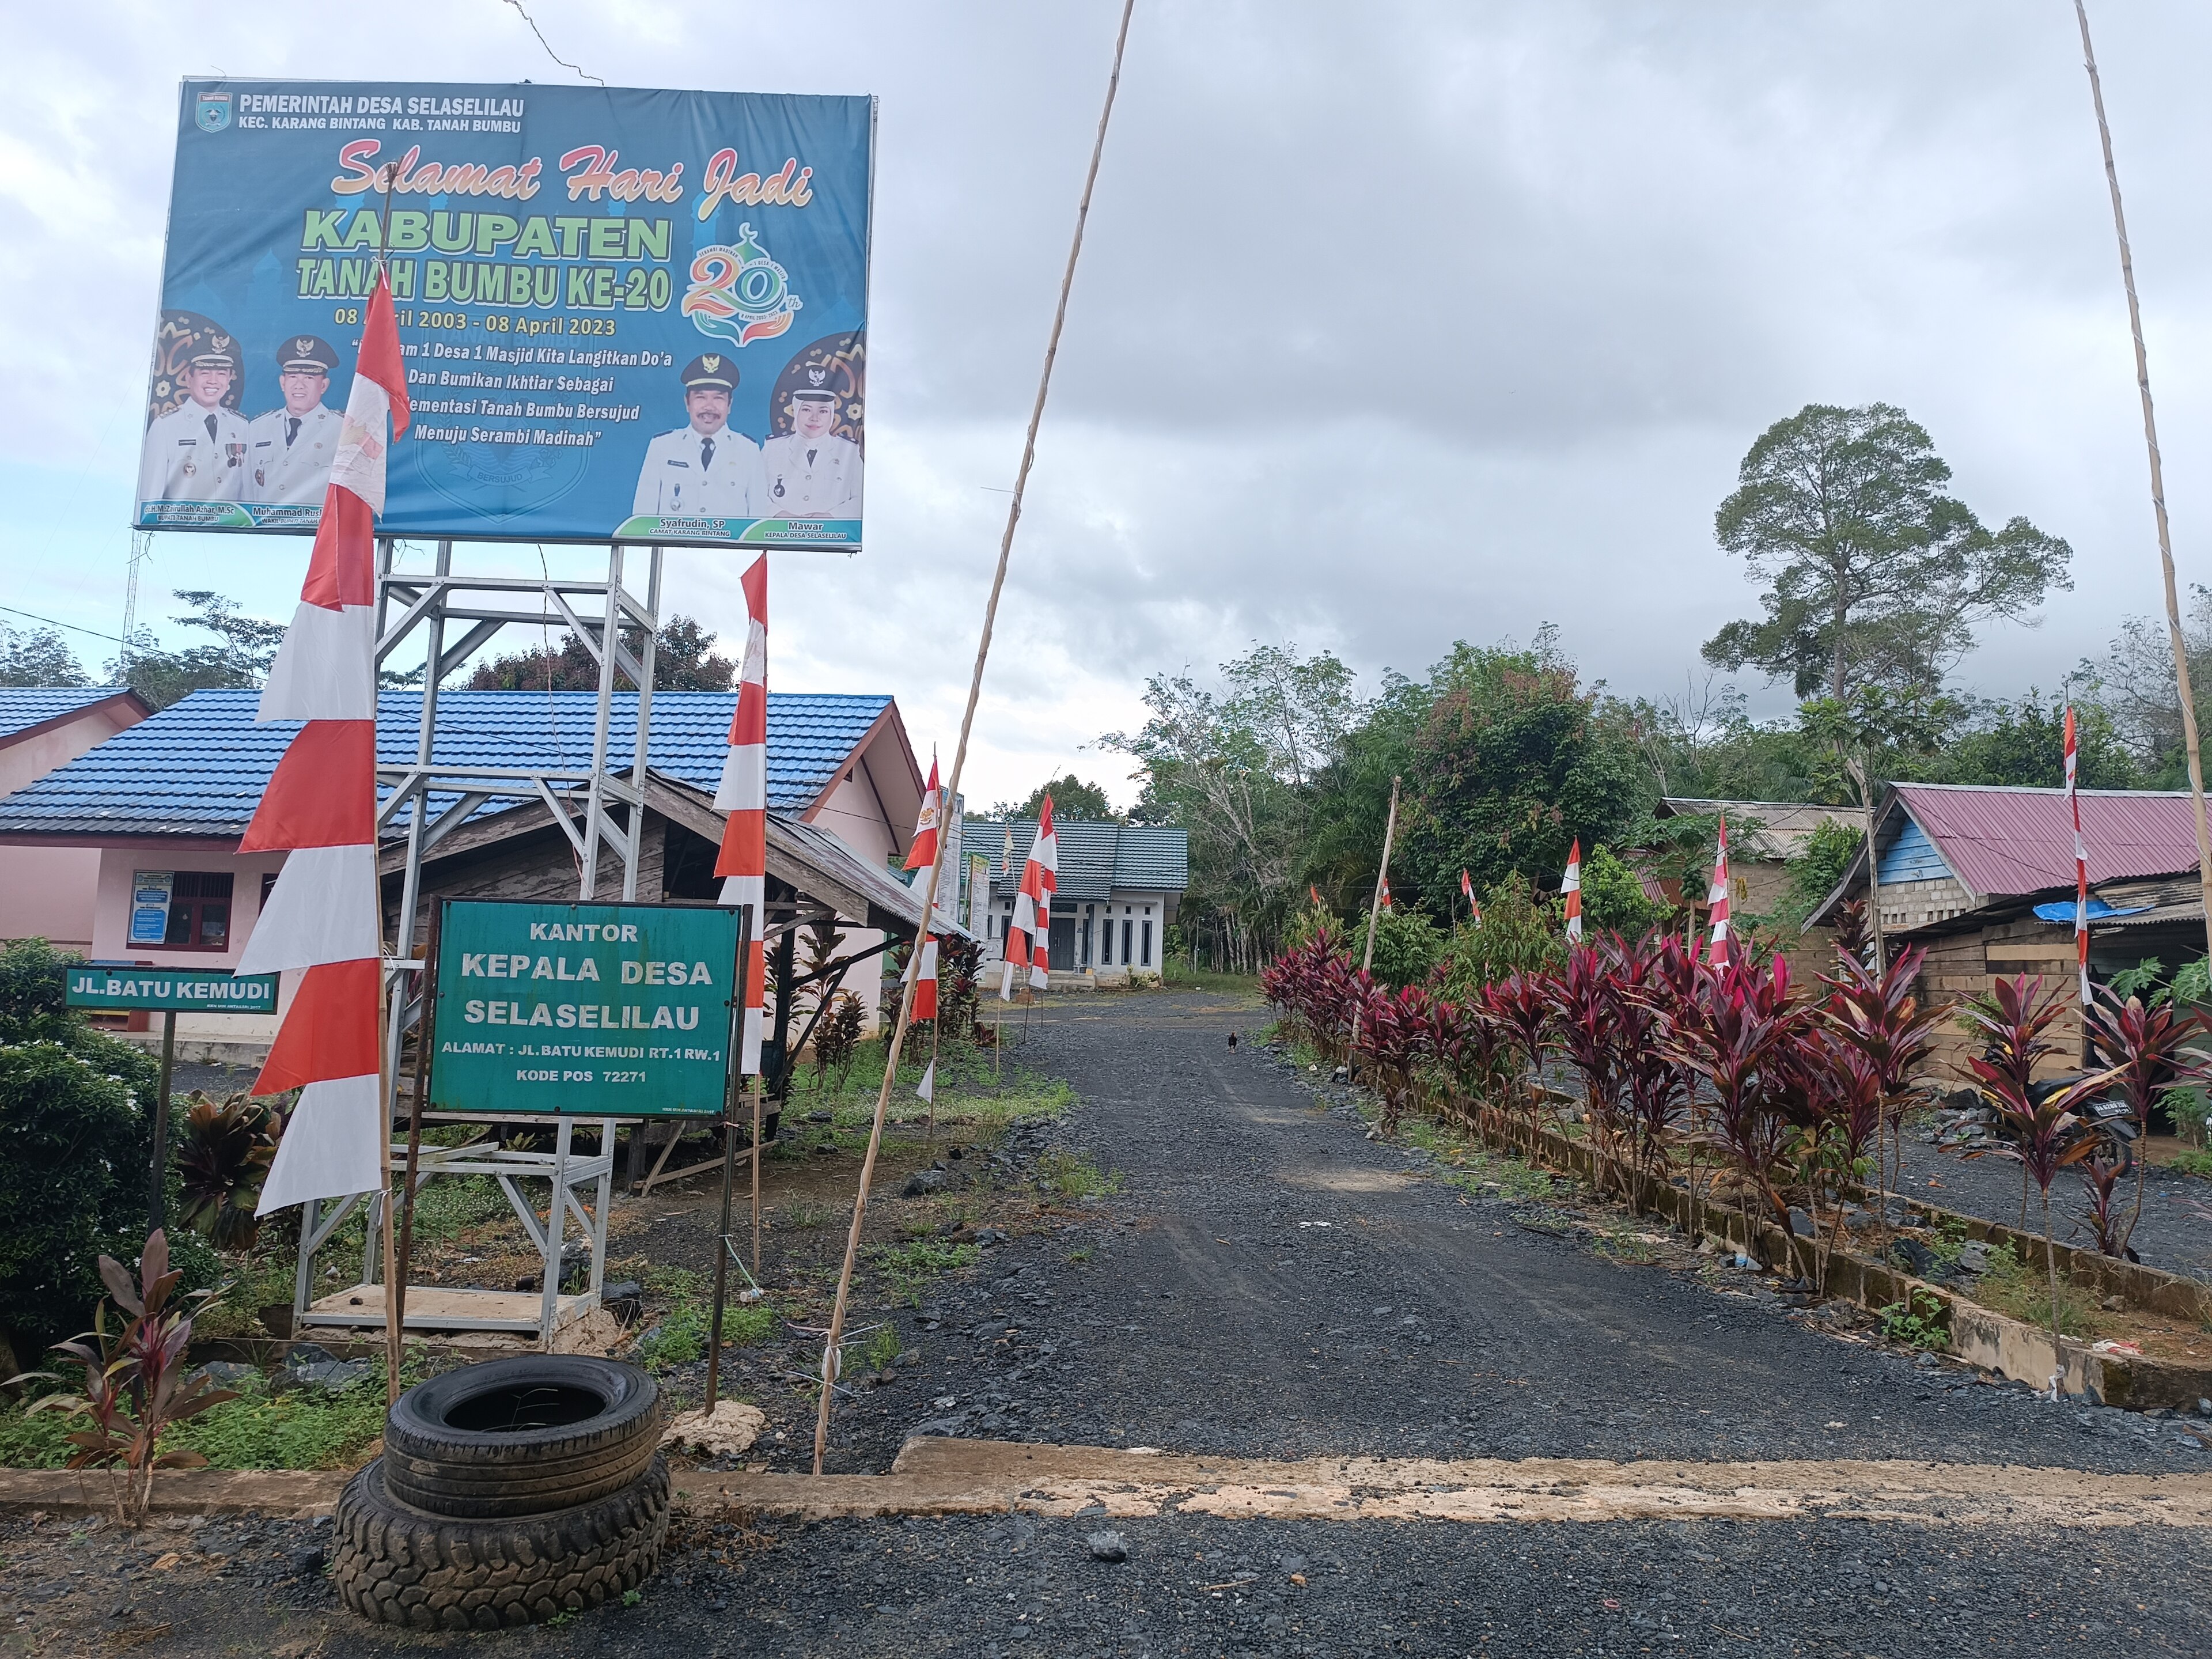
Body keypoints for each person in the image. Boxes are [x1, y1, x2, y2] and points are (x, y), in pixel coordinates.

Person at [631, 355, 759, 519]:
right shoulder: (661, 447)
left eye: (718, 398)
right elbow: (642, 517)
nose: (709, 407)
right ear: (687, 402)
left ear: (730, 405)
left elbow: (758, 522)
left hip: (728, 545)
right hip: (673, 544)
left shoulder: (749, 450)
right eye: (701, 397)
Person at [137, 329, 251, 504]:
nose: (213, 381)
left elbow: (247, 493)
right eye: (205, 373)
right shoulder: (165, 426)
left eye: (221, 373)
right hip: (180, 528)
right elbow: (149, 500)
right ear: (189, 378)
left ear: (229, 381)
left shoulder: (242, 426)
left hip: (231, 528)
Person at [244, 336, 343, 505]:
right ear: (283, 382)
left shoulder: (341, 429)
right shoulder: (258, 427)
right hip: (264, 528)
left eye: (309, 378)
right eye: (293, 377)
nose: (299, 385)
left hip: (314, 529)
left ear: (324, 385)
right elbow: (247, 489)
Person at [757, 381, 862, 518]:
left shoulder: (849, 452)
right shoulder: (773, 449)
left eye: (823, 411)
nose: (815, 418)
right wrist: (778, 515)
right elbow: (755, 493)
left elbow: (862, 498)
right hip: (778, 534)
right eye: (807, 410)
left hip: (831, 535)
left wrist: (830, 516)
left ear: (832, 414)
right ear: (795, 411)